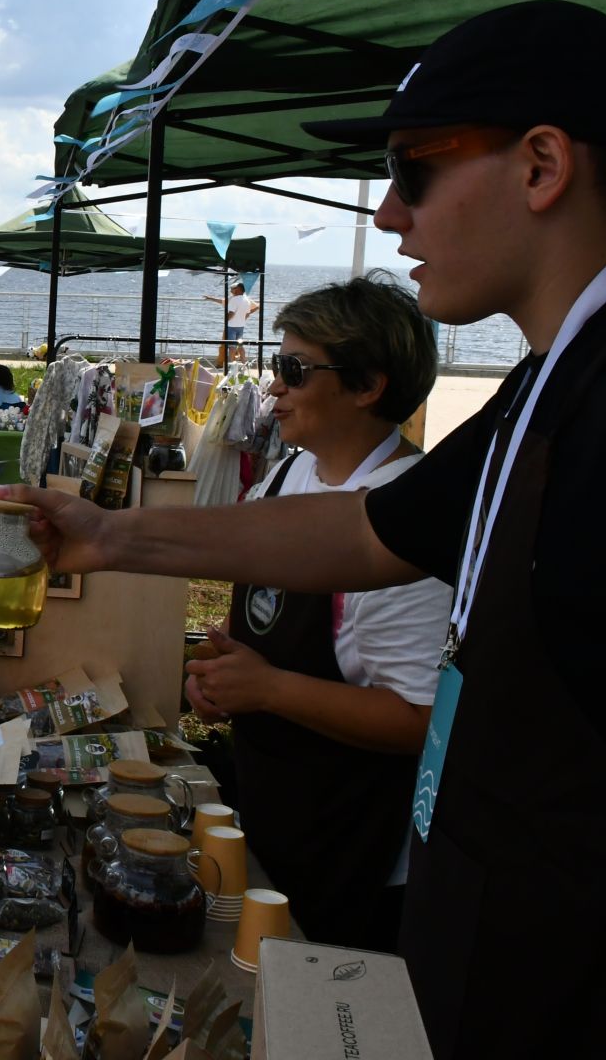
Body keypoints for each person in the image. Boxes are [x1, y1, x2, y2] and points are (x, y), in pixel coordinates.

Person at [0, 1, 606, 1057]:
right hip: (488, 971)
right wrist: (109, 537)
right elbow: (365, 533)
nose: (389, 214)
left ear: (541, 165)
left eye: (414, 167)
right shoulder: (558, 379)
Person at [184, 275, 451, 952]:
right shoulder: (288, 476)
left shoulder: (407, 523)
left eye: (294, 370)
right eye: (277, 365)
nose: (273, 386)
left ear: (367, 386)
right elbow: (259, 626)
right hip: (275, 808)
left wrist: (267, 690)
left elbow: (420, 719)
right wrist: (223, 675)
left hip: (350, 846)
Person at [204, 281, 260, 363]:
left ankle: (230, 364)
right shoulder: (247, 300)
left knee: (231, 347)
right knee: (240, 345)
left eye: (232, 289)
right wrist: (242, 318)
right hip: (241, 326)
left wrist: (226, 320)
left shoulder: (234, 300)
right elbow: (248, 313)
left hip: (231, 326)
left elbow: (231, 313)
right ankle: (244, 362)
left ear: (238, 289)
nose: (231, 290)